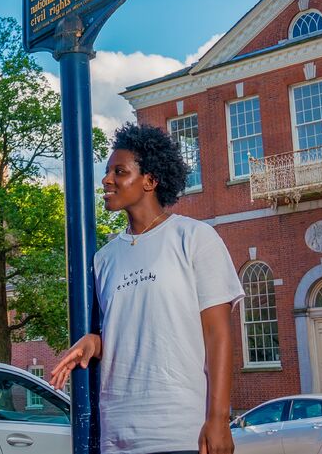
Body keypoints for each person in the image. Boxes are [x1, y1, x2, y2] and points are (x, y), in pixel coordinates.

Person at [51, 123, 243, 454]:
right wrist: (95, 342)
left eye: (119, 171)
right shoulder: (104, 258)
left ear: (150, 181)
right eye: (108, 170)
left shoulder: (194, 237)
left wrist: (218, 418)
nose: (106, 179)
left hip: (181, 431)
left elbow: (218, 334)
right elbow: (131, 326)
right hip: (118, 435)